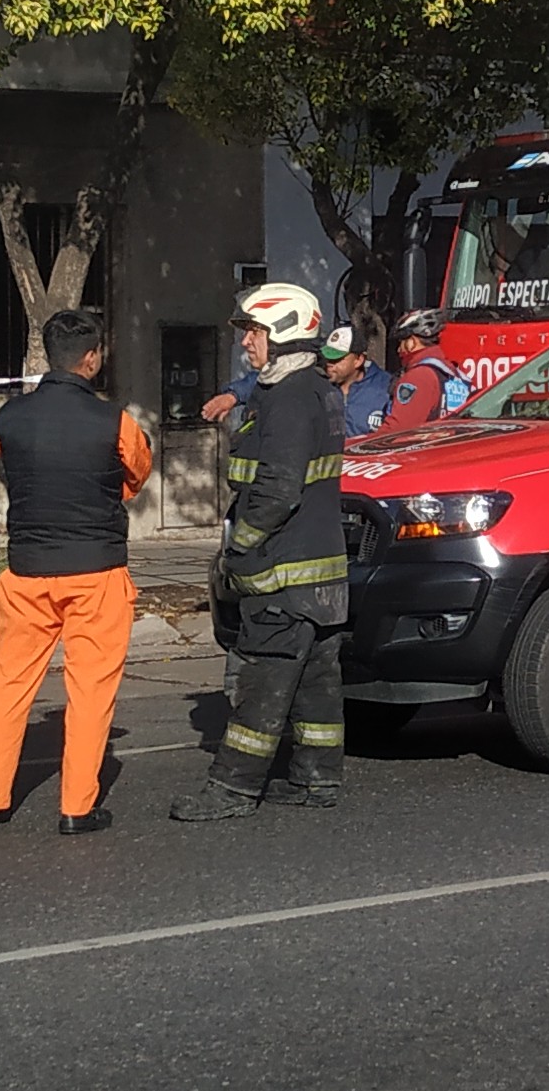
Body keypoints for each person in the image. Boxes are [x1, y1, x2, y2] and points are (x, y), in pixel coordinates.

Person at [0, 310, 153, 836]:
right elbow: (136, 472)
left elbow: (13, 469)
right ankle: (76, 808)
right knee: (91, 692)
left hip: (26, 571)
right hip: (96, 572)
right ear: (91, 358)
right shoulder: (114, 420)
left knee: (8, 686)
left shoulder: (9, 418)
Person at [171, 282, 350, 821]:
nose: (247, 342)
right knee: (316, 681)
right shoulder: (315, 389)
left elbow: (276, 489)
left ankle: (232, 787)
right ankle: (317, 779)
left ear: (284, 334)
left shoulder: (290, 398)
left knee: (263, 683)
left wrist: (238, 549)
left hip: (282, 575)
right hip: (319, 574)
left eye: (254, 332)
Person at [201, 325, 391, 438]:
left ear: (358, 359)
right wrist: (232, 396)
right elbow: (271, 376)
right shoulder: (315, 378)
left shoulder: (386, 388)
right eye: (327, 358)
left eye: (337, 359)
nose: (329, 365)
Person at [382, 308, 472, 431]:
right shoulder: (453, 374)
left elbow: (398, 428)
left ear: (412, 342)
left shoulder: (419, 376)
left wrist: (365, 444)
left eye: (401, 343)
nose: (398, 350)